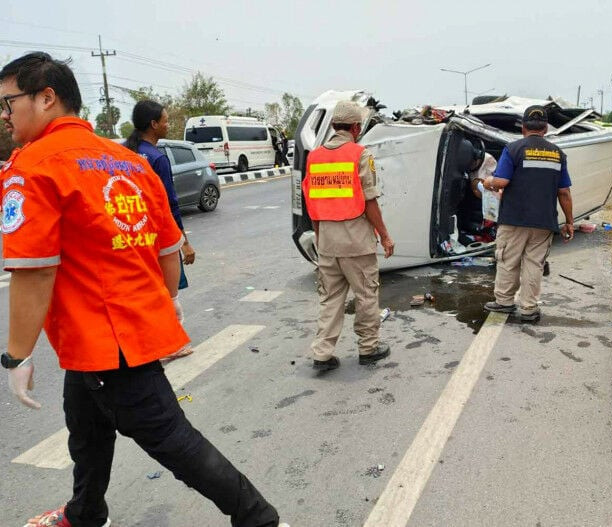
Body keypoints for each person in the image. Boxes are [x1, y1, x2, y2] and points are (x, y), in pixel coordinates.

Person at [0, 52, 282, 527]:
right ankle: (85, 512)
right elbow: (169, 250)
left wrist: (17, 355)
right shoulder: (128, 161)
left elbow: (33, 270)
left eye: (8, 103)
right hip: (108, 337)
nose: (4, 116)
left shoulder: (33, 168)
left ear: (46, 98)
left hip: (108, 343)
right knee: (86, 430)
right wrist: (162, 306)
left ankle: (259, 519)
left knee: (175, 441)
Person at [302, 101, 394, 371]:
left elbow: (312, 205)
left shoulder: (314, 156)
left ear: (333, 126)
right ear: (355, 127)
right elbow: (369, 201)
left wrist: (320, 238)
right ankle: (368, 348)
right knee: (366, 295)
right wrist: (385, 236)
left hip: (327, 241)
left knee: (331, 299)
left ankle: (322, 352)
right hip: (355, 241)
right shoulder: (360, 154)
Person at [482, 105, 573, 322]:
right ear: (546, 129)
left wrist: (487, 182)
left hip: (514, 219)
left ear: (523, 128)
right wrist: (569, 221)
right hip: (544, 221)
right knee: (534, 264)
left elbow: (502, 181)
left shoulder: (513, 149)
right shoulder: (557, 154)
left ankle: (504, 302)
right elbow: (564, 193)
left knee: (508, 260)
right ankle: (529, 309)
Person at [124, 100, 195, 361]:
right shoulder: (156, 159)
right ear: (154, 125)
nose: (168, 124)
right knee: (168, 293)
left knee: (143, 292)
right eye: (165, 120)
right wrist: (184, 242)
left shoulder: (125, 155)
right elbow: (170, 204)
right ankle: (171, 343)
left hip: (131, 235)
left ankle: (141, 343)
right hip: (159, 237)